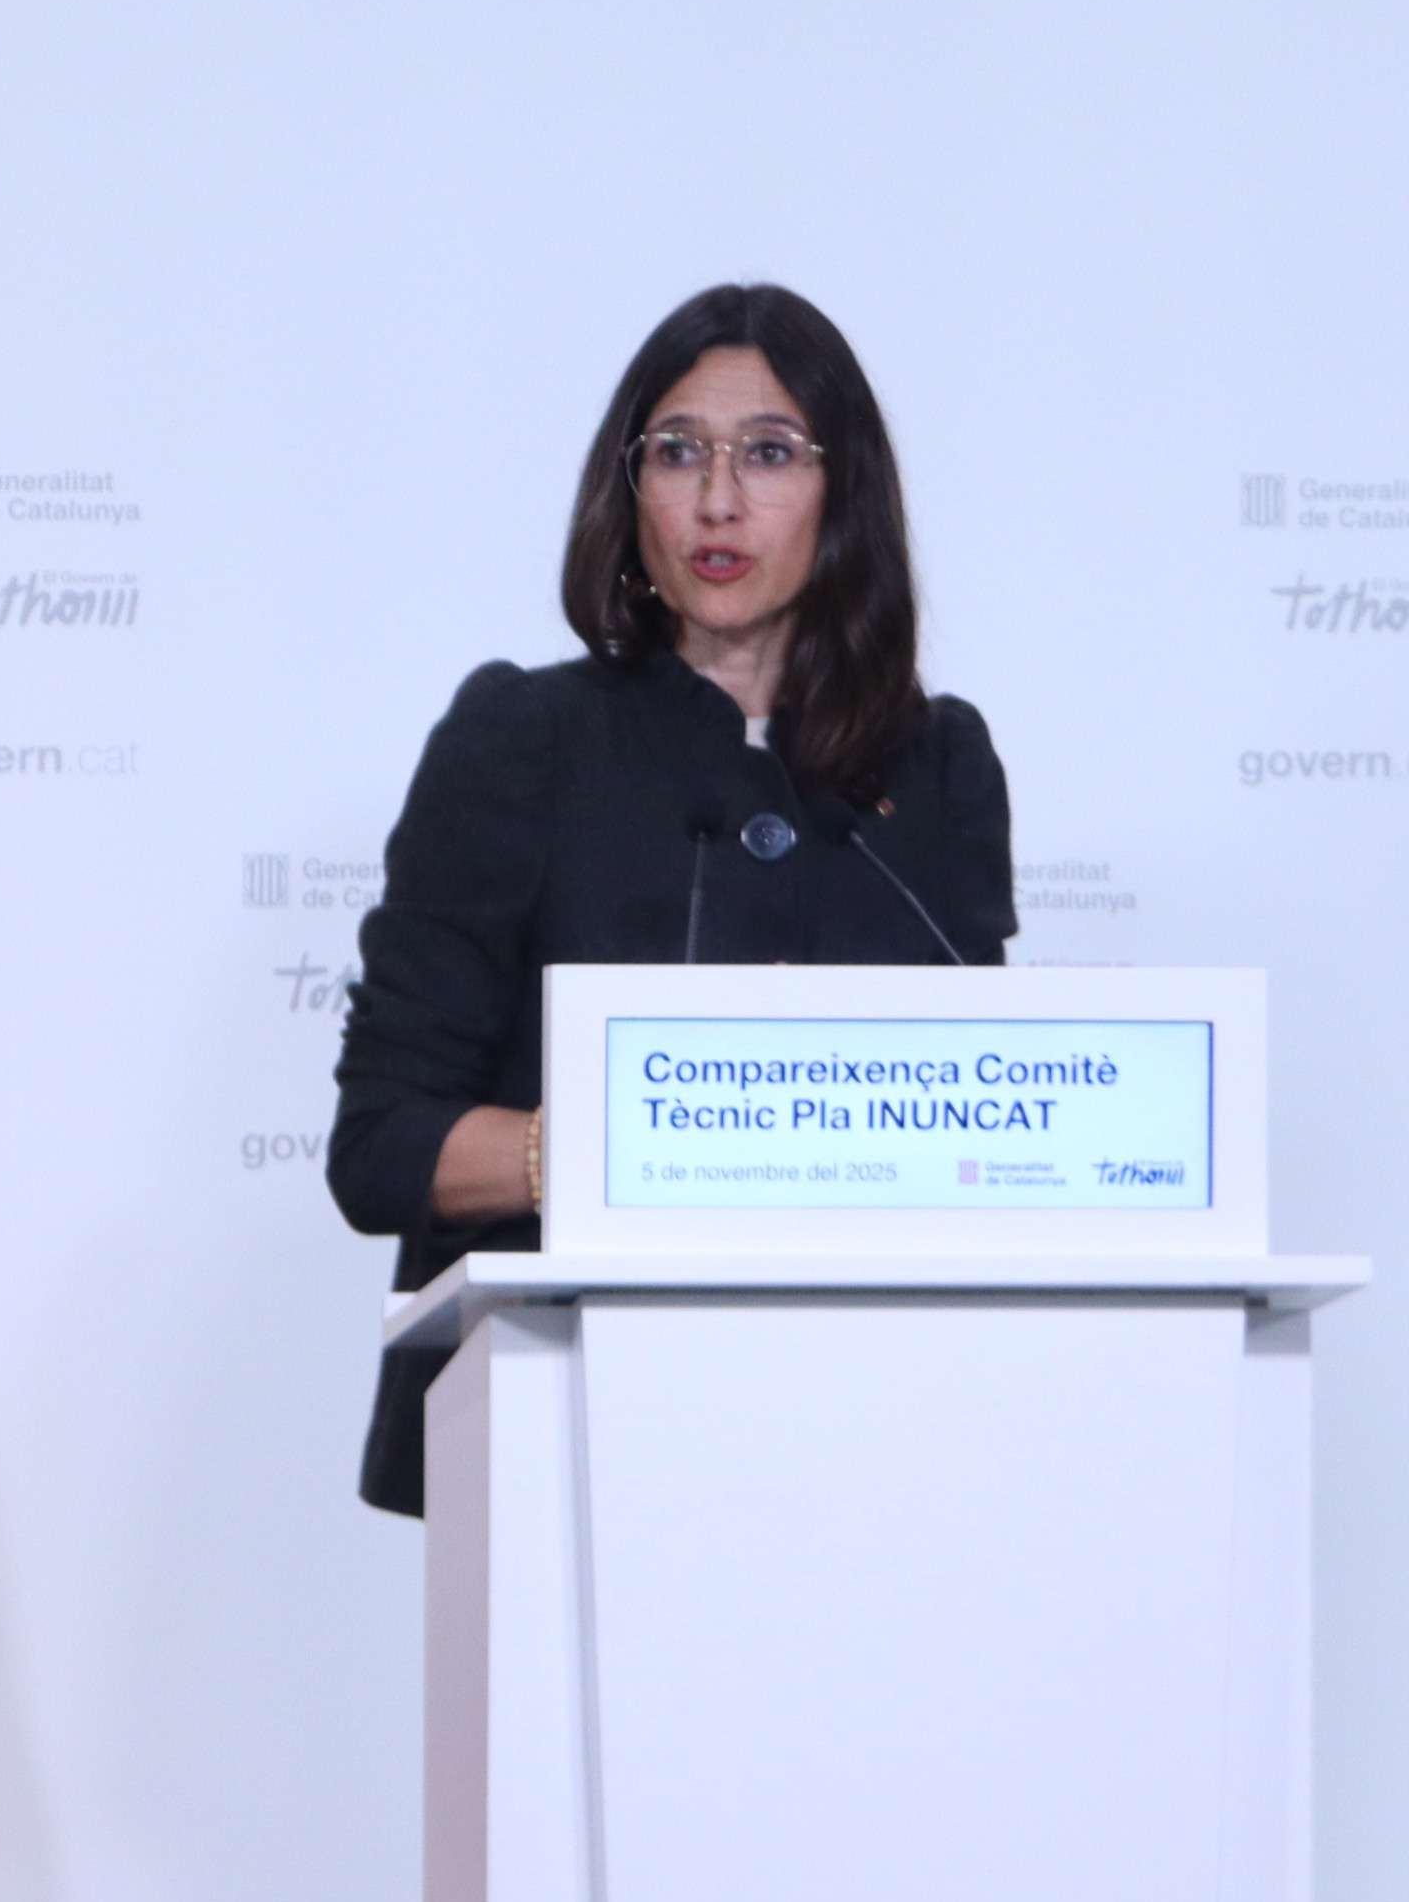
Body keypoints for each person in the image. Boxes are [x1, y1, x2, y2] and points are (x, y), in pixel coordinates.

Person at [329, 281, 1016, 1513]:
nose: (718, 499)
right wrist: (622, 1145)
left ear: (843, 489)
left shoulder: (938, 764)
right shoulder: (524, 740)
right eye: (678, 452)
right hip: (560, 1430)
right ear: (627, 486)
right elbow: (380, 1147)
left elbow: (971, 1128)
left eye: (768, 454)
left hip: (874, 1428)